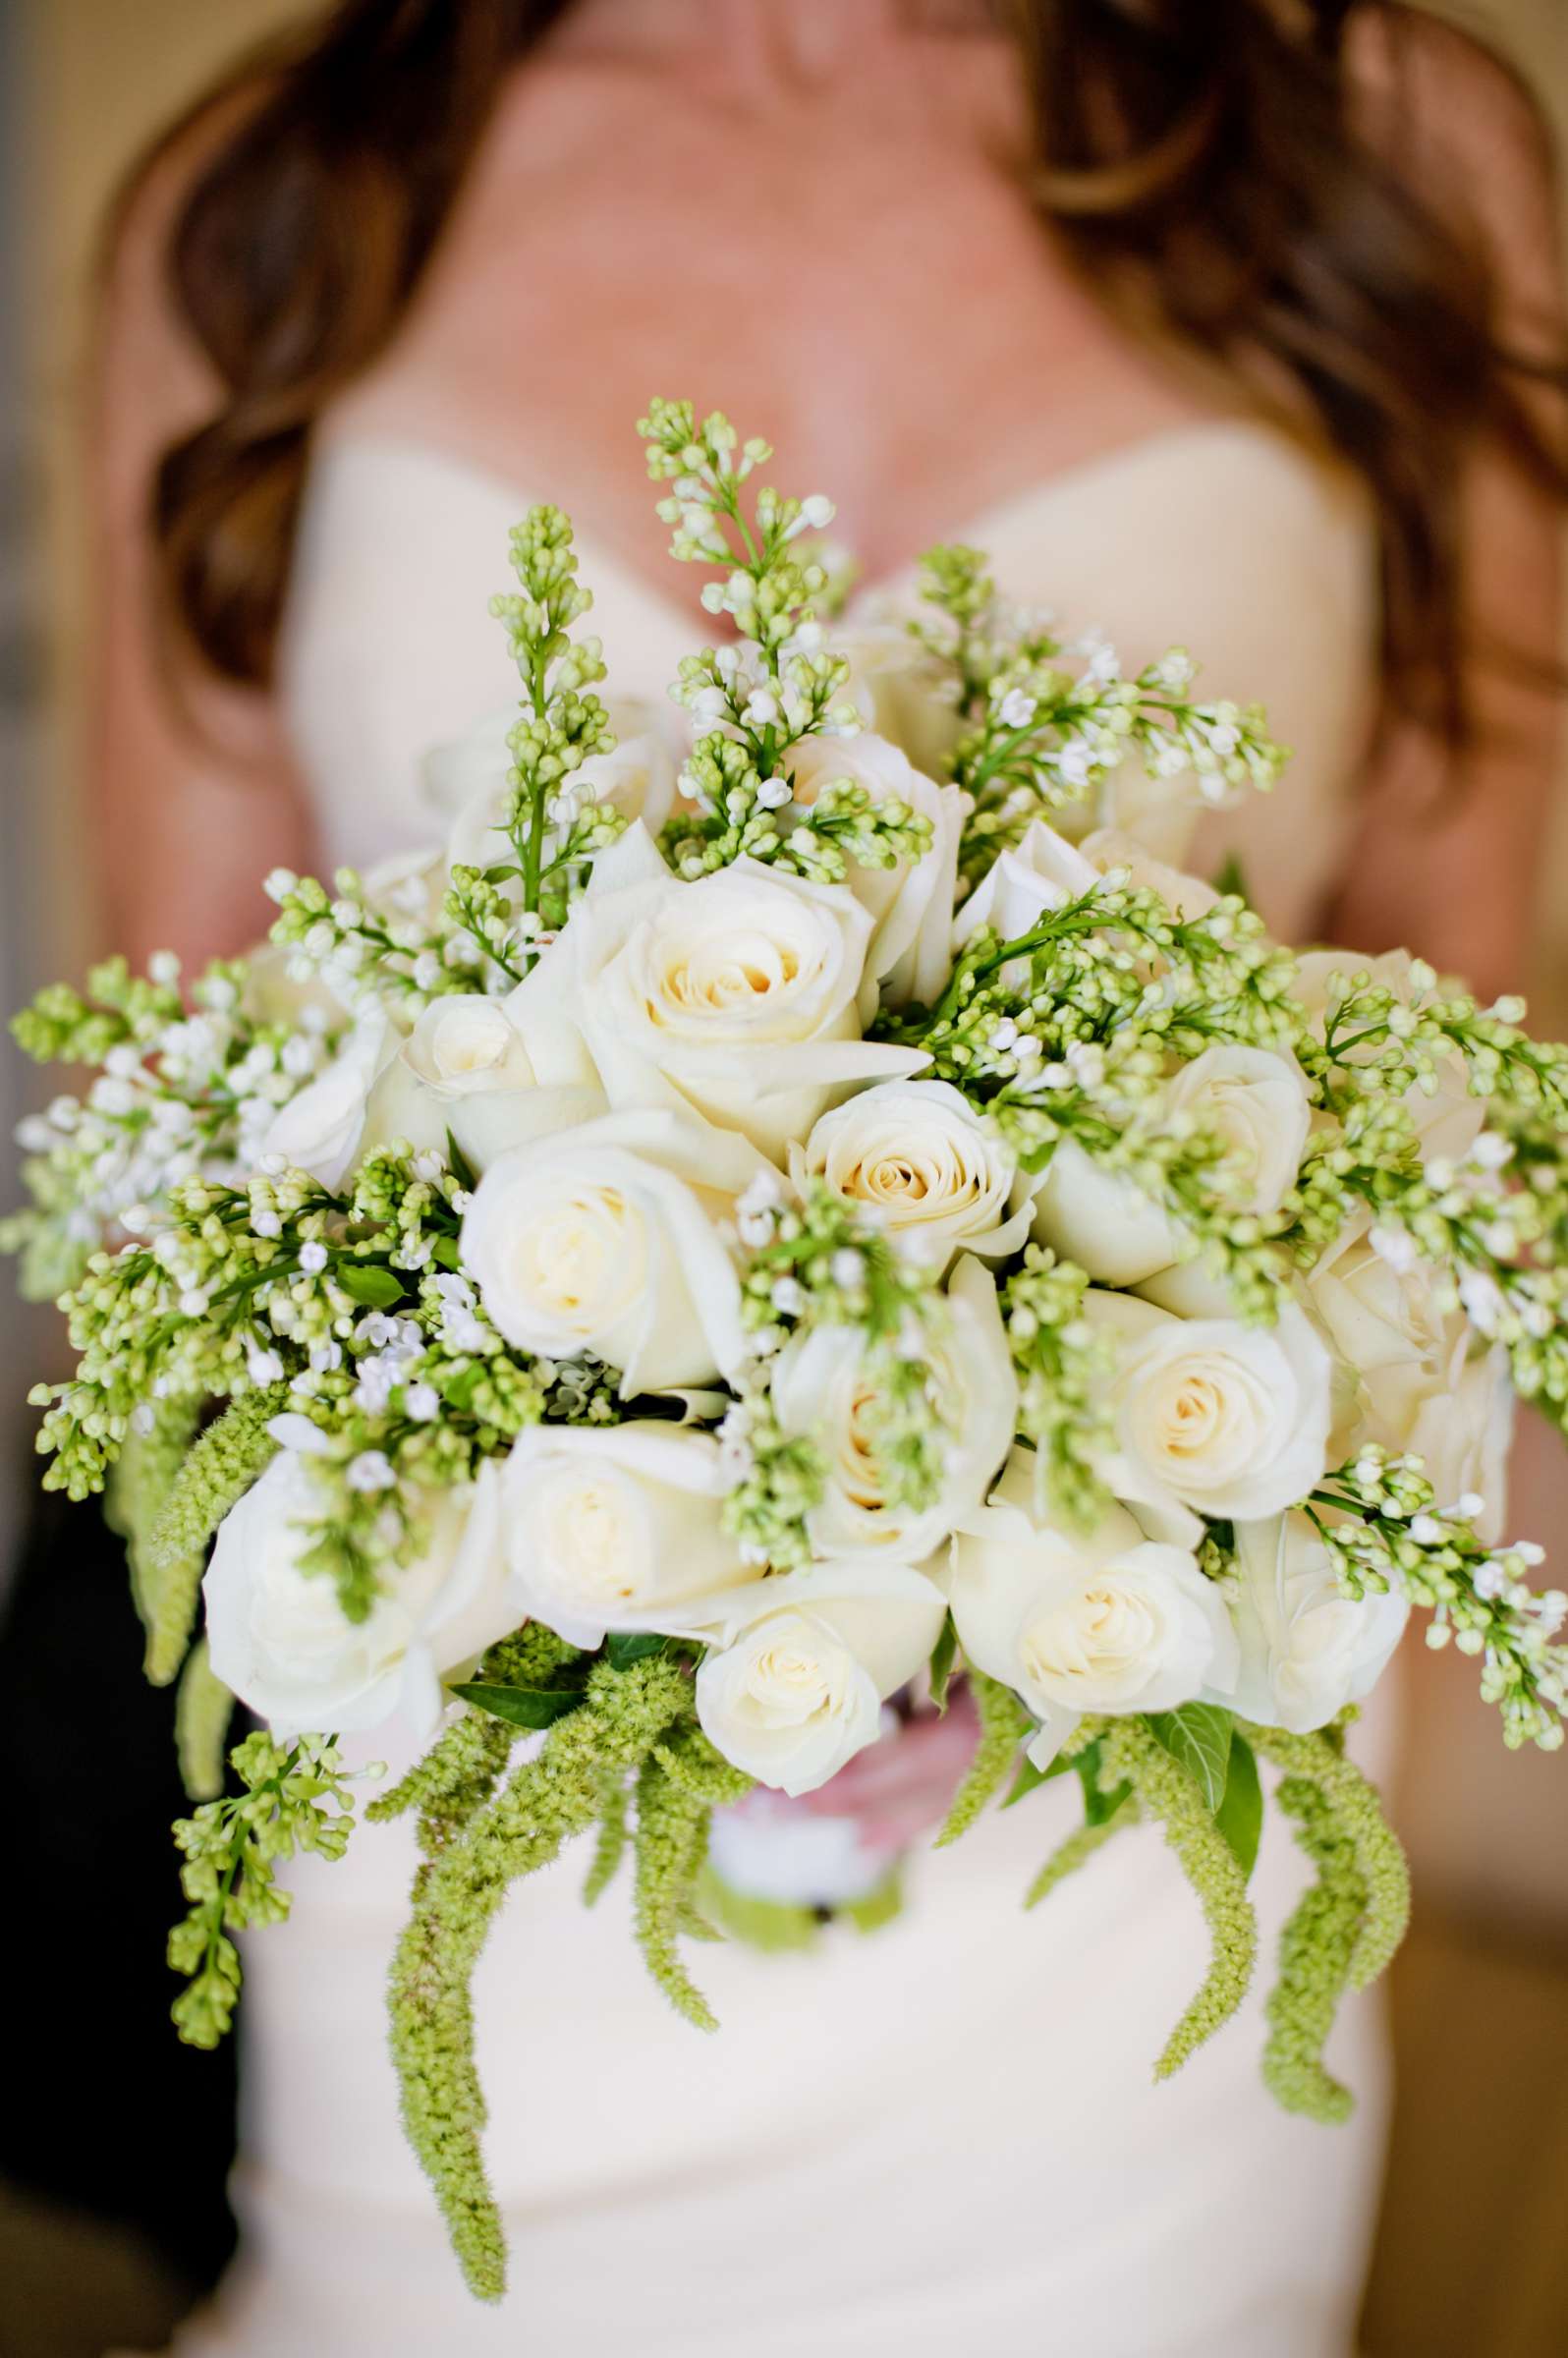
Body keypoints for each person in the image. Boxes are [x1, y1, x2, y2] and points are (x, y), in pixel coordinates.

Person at [88, 4, 1564, 2351]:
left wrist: (1049, 1561)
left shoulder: (1387, 143)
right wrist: (614, 1575)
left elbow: (1479, 1073)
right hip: (479, 1789)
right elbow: (163, 1147)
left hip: (1132, 1811)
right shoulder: (275, 204)